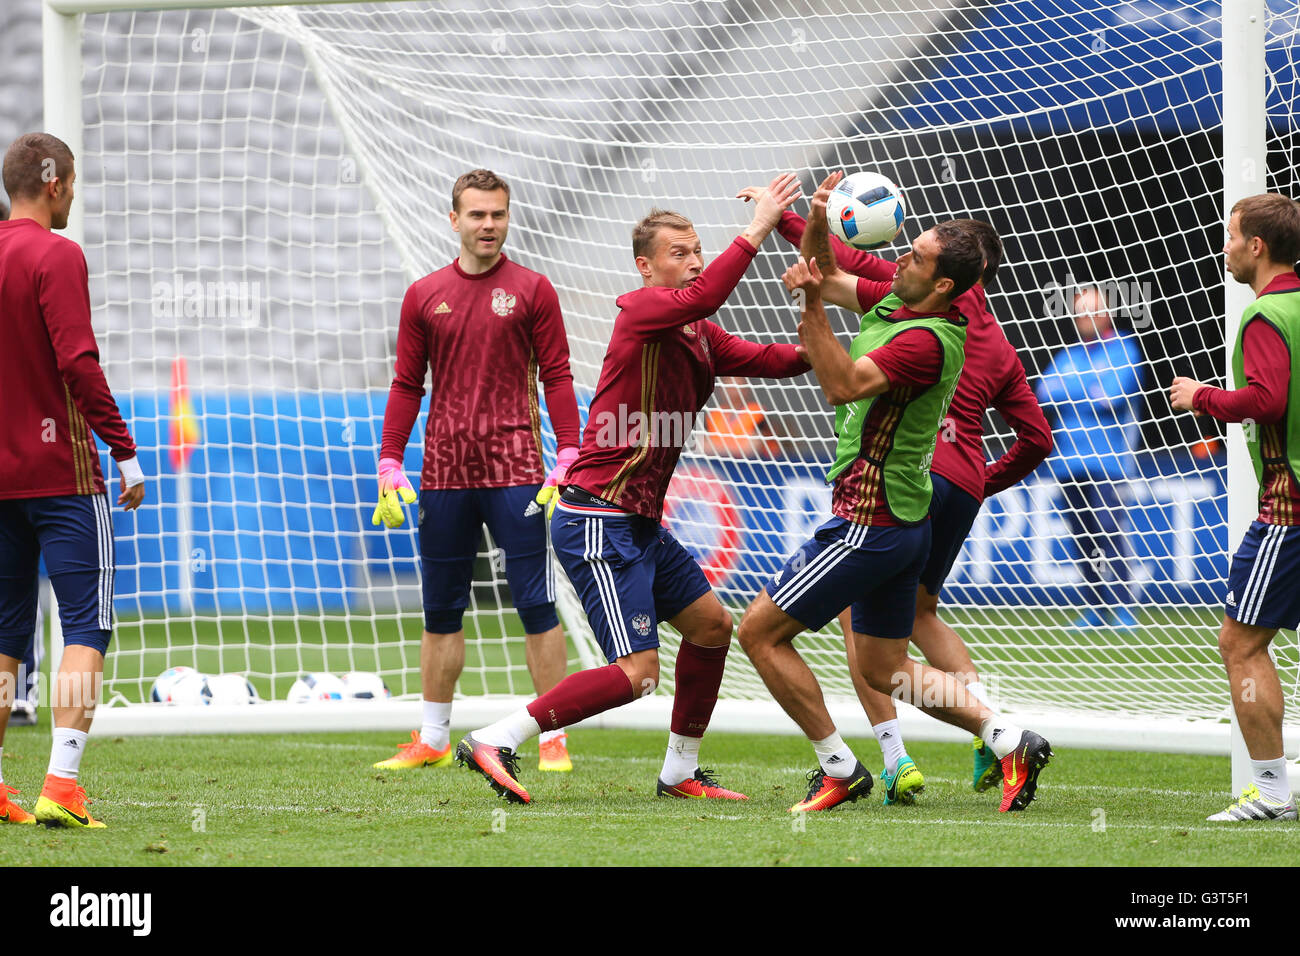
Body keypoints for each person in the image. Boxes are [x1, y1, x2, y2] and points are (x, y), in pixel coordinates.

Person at [455, 174, 809, 804]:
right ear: (646, 267)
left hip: (638, 522)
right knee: (638, 674)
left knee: (710, 628)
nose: (695, 260)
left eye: (698, 249)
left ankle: (679, 772)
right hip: (598, 517)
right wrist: (758, 229)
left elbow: (777, 360)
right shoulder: (642, 309)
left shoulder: (699, 332)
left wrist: (851, 333)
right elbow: (705, 295)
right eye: (680, 252)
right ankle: (497, 736)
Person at [737, 172, 1052, 814]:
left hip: (870, 519)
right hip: (906, 521)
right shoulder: (900, 303)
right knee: (886, 669)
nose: (899, 256)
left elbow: (844, 384)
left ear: (943, 284)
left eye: (914, 256)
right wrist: (819, 220)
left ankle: (840, 767)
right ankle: (1006, 735)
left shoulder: (929, 341)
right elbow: (829, 272)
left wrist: (810, 308)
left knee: (759, 633)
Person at [372, 169, 582, 774]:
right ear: (455, 220)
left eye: (497, 214)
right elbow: (407, 384)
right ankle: (433, 737)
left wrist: (568, 450)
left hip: (517, 470)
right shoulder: (423, 295)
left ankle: (550, 736)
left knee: (536, 604)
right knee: (441, 609)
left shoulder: (534, 290)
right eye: (477, 215)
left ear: (507, 217)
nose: (488, 224)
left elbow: (558, 377)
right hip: (442, 474)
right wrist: (391, 458)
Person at [0, 132, 147, 827]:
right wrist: (125, 451)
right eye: (75, 182)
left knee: (4, 636)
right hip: (63, 475)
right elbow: (78, 362)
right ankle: (60, 785)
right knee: (87, 623)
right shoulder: (58, 255)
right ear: (55, 184)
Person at [1170, 193, 1300, 822]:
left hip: (1289, 509)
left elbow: (1267, 400)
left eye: (1230, 235)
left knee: (1241, 645)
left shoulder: (1265, 314)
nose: (1223, 246)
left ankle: (1272, 791)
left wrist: (1202, 397)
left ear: (1257, 246)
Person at [1036, 283, 1144, 631]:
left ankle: (1125, 608)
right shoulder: (1068, 356)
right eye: (1081, 313)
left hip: (1110, 463)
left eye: (1093, 311)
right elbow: (1042, 393)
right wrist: (1086, 384)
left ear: (1107, 313)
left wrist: (1072, 388)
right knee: (1083, 540)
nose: (1086, 318)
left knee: (1110, 535)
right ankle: (1096, 608)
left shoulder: (1125, 349)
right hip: (1068, 462)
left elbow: (1109, 398)